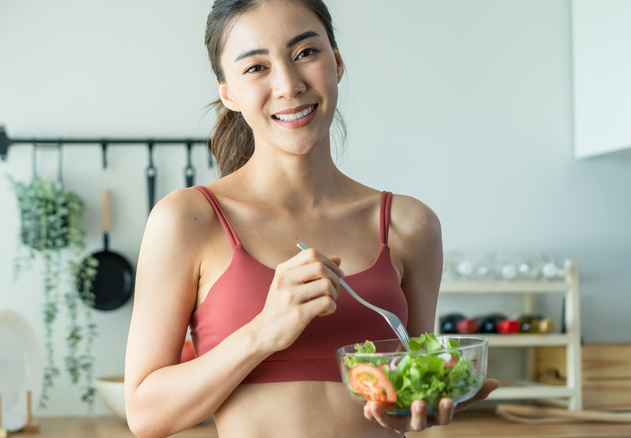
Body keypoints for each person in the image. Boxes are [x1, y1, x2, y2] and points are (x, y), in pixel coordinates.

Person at [124, 1, 499, 437]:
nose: (288, 84)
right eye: (256, 67)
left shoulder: (410, 225)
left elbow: (412, 383)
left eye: (305, 53)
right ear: (227, 91)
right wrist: (263, 332)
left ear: (336, 62)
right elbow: (146, 415)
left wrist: (423, 404)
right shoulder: (188, 221)